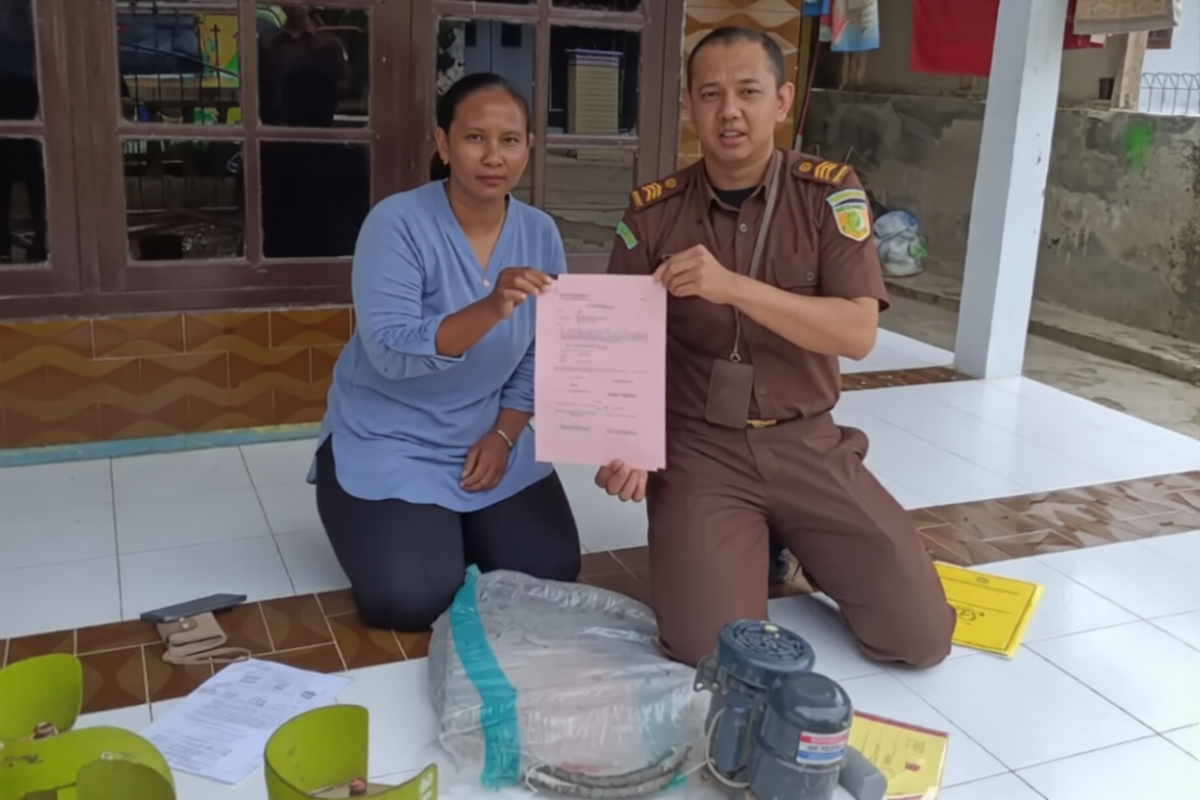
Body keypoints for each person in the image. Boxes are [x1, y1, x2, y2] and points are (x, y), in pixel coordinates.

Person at [594, 27, 956, 669]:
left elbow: (857, 333)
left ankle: (794, 538)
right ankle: (756, 539)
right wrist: (629, 441)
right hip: (700, 451)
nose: (729, 111)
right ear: (688, 106)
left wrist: (732, 287)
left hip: (807, 443)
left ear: (782, 101)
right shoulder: (653, 215)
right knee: (711, 653)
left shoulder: (828, 195)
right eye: (711, 94)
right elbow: (621, 344)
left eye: (748, 92)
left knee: (920, 638)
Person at [308, 72, 582, 631]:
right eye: (475, 137)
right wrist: (490, 308)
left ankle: (451, 524)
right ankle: (399, 514)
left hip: (485, 432)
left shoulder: (540, 233)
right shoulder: (397, 223)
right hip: (390, 438)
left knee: (550, 573)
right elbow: (389, 350)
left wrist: (505, 435)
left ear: (529, 147)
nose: (493, 156)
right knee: (409, 599)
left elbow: (541, 351)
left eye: (510, 140)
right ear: (443, 143)